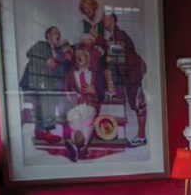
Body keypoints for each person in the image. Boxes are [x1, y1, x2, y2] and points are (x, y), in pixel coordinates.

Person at [98, 12, 148, 147]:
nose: (103, 22)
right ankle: (141, 136)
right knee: (136, 104)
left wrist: (105, 53)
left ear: (112, 20)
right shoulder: (112, 36)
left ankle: (141, 137)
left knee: (139, 104)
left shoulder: (119, 35)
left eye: (105, 19)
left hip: (133, 72)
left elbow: (118, 55)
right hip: (129, 73)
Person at [20, 26, 69, 145]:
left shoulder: (58, 52)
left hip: (48, 85)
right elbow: (30, 53)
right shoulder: (41, 45)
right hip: (32, 84)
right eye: (55, 32)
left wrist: (66, 58)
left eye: (59, 33)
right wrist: (45, 60)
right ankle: (42, 131)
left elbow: (61, 70)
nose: (58, 35)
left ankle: (46, 130)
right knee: (47, 97)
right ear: (48, 35)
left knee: (56, 97)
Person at [63, 47, 101, 161]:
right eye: (76, 56)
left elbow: (102, 93)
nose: (78, 57)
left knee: (85, 119)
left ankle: (76, 145)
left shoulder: (95, 74)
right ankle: (81, 147)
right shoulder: (71, 74)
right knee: (75, 118)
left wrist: (94, 91)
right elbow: (66, 89)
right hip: (74, 106)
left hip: (89, 105)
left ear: (88, 58)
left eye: (82, 55)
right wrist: (69, 97)